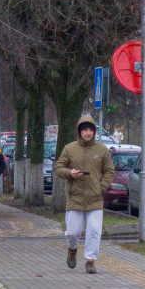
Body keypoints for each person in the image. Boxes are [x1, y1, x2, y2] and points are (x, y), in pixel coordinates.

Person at [54, 115, 114, 274]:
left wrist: (102, 187)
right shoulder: (70, 148)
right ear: (79, 131)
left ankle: (90, 260)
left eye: (90, 130)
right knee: (73, 232)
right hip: (75, 197)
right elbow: (58, 168)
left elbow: (109, 171)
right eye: (84, 130)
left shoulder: (102, 149)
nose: (88, 133)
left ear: (94, 131)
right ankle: (72, 249)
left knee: (94, 230)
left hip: (95, 198)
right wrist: (70, 173)